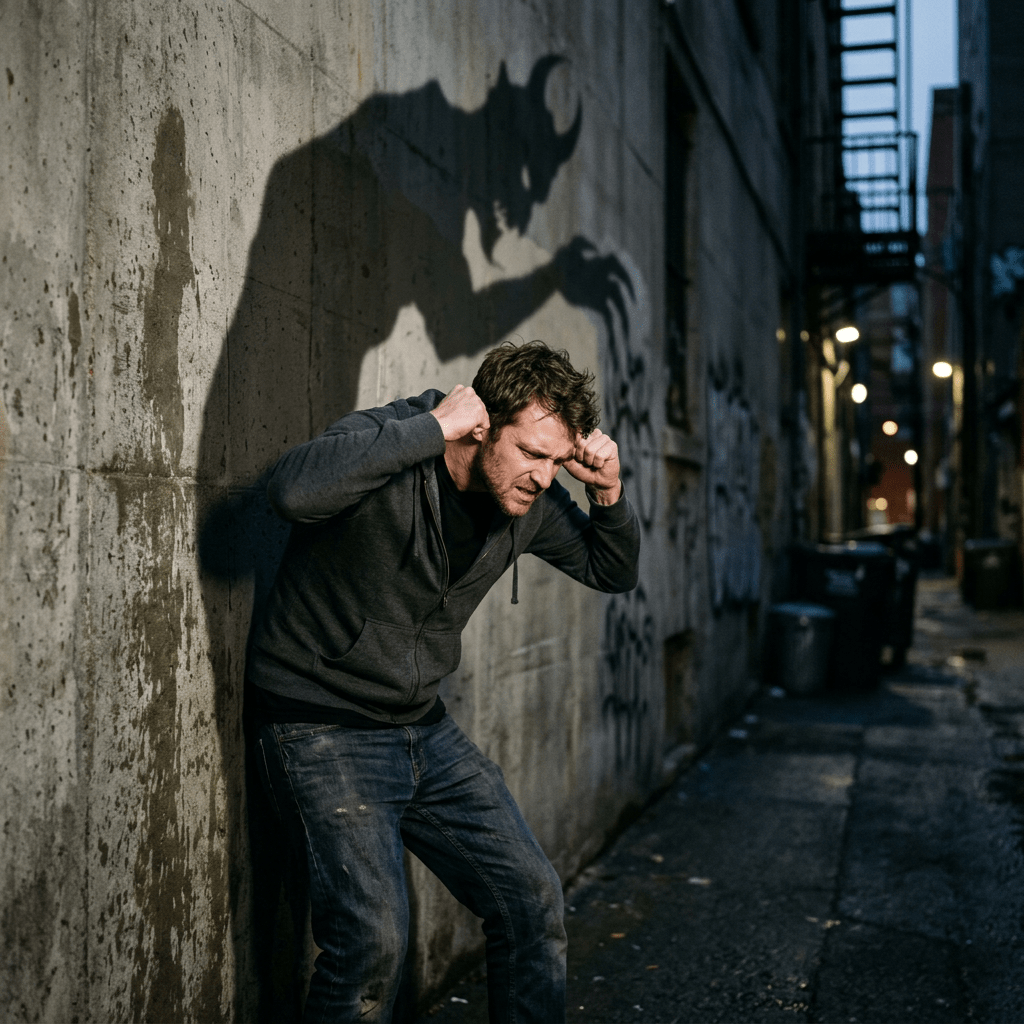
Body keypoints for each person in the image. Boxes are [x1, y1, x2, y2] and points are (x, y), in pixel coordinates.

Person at [250, 340, 641, 1022]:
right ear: (482, 424)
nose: (545, 477)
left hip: (420, 728)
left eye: (557, 460)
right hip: (320, 725)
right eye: (531, 453)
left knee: (531, 901)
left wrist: (607, 492)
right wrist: (429, 430)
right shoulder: (391, 441)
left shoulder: (528, 502)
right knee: (371, 945)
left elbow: (611, 571)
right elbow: (290, 493)